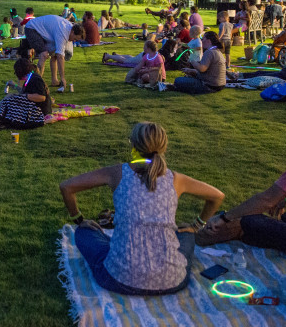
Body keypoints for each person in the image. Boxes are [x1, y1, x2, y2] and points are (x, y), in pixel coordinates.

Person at [60, 122, 224, 295]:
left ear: (133, 144)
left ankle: (118, 250)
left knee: (83, 232)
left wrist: (78, 219)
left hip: (119, 278)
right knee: (187, 231)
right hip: (172, 280)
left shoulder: (117, 173)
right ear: (164, 146)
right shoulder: (176, 179)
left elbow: (67, 187)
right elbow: (217, 196)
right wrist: (197, 226)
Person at [196, 103, 286, 259]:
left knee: (249, 221)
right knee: (262, 223)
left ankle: (200, 238)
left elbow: (266, 200)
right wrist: (285, 199)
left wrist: (225, 217)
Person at [24, 15, 85, 92]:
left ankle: (54, 81)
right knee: (44, 54)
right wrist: (63, 78)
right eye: (75, 39)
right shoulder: (63, 32)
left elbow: (57, 55)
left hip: (43, 31)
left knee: (54, 55)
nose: (74, 41)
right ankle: (37, 84)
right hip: (32, 28)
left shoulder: (69, 28)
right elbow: (60, 57)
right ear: (72, 32)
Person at [161, 31, 226, 94]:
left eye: (203, 39)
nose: (202, 41)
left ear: (208, 41)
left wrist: (192, 61)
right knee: (185, 79)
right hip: (219, 84)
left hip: (209, 86)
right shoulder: (217, 51)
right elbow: (209, 71)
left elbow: (202, 68)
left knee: (178, 80)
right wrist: (191, 71)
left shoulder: (210, 52)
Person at [0, 58, 52, 128]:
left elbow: (42, 97)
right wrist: (15, 86)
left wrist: (24, 96)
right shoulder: (30, 77)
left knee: (11, 98)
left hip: (40, 110)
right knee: (11, 96)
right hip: (34, 105)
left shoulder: (36, 79)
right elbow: (26, 92)